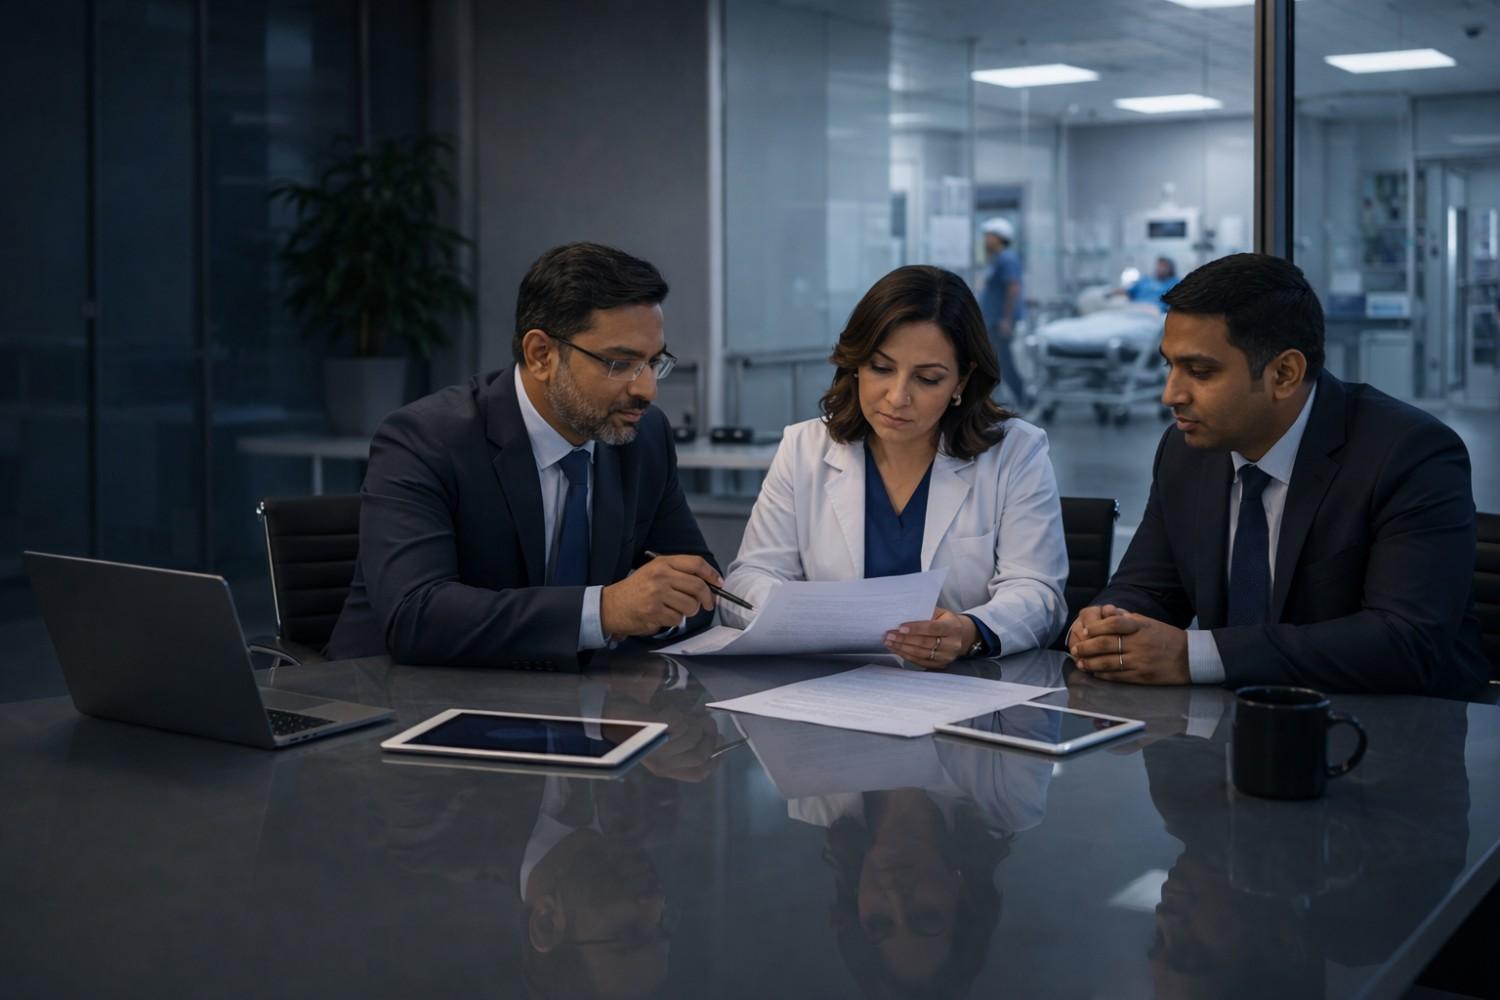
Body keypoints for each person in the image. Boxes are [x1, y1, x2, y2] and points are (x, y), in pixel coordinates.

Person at [1067, 252, 1489, 697]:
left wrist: (1193, 654)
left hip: (1398, 726)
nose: (1170, 394)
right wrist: (1106, 624)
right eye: (1169, 365)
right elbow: (1148, 588)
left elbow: (1405, 642)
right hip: (1228, 723)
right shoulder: (1185, 451)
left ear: (1285, 374)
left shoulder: (1409, 454)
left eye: (1200, 372)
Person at [327, 242, 721, 668]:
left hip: (568, 698)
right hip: (392, 696)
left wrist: (658, 611)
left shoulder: (644, 436)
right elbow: (416, 616)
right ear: (541, 355)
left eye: (654, 363)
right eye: (619, 364)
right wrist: (604, 611)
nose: (647, 390)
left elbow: (702, 585)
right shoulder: (424, 439)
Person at [721, 264, 1068, 666]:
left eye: (928, 379)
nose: (897, 397)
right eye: (881, 369)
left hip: (961, 686)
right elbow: (748, 581)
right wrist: (810, 616)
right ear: (855, 364)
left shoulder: (1015, 453)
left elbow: (1038, 593)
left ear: (961, 381)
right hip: (828, 685)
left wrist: (969, 631)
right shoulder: (804, 448)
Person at [979, 217, 1030, 408]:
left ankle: (1025, 400)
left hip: (1001, 321)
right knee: (996, 362)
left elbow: (1013, 287)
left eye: (989, 236)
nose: (985, 239)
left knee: (1004, 362)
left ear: (1000, 238)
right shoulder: (997, 259)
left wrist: (1006, 319)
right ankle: (999, 401)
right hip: (993, 320)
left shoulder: (1007, 258)